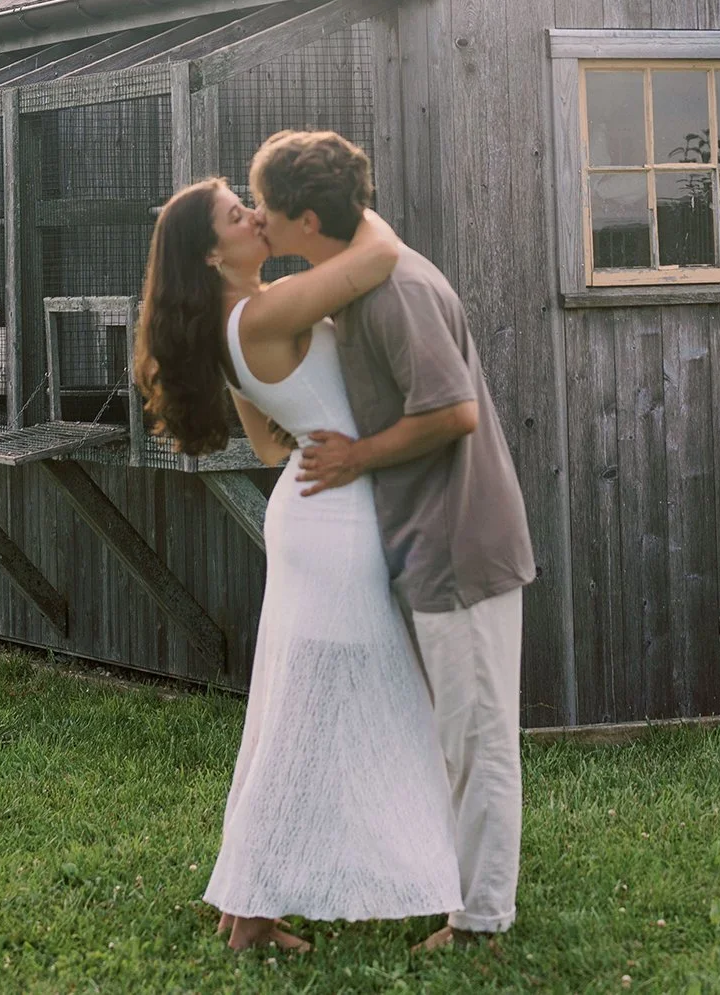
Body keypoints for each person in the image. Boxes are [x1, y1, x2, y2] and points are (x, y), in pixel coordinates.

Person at [134, 175, 461, 954]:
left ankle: (251, 908)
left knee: (303, 703)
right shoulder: (263, 310)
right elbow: (375, 255)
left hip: (313, 511)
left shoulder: (234, 320)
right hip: (336, 521)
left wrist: (319, 417)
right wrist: (345, 200)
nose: (254, 215)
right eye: (235, 213)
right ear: (213, 253)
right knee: (339, 705)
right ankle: (266, 911)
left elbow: (273, 443)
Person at [250, 129, 535, 951]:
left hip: (460, 543)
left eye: (266, 207)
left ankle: (481, 923)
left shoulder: (394, 291)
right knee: (451, 735)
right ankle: (449, 888)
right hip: (418, 543)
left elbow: (454, 412)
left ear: (307, 218)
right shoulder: (356, 283)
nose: (258, 220)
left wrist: (355, 457)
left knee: (477, 740)